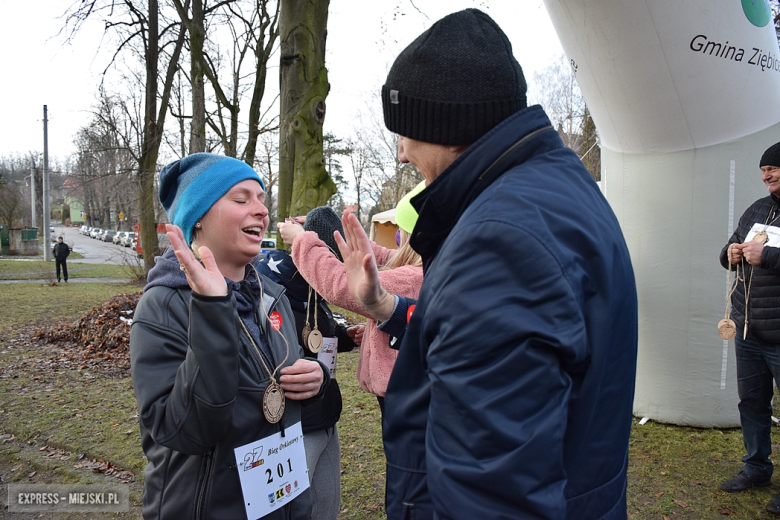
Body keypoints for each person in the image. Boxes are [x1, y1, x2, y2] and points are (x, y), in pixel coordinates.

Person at [334, 9, 638, 519]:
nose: (403, 154)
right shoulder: (557, 192)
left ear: (447, 127)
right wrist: (388, 306)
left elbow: (493, 494)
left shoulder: (499, 243)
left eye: (406, 132)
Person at [129, 153, 329, 520]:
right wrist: (212, 308)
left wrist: (315, 378)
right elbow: (187, 430)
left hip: (284, 504)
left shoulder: (272, 295)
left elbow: (276, 388)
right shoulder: (163, 306)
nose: (261, 211)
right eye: (241, 199)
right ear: (198, 217)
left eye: (261, 199)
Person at [278, 195, 424, 420]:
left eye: (400, 231)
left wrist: (302, 241)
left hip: (405, 396)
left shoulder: (412, 277)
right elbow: (381, 257)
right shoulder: (428, 266)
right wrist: (333, 230)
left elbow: (342, 285)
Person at [257, 206, 361, 520]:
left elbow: (317, 332)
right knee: (294, 509)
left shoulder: (314, 288)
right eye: (330, 262)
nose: (334, 272)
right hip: (294, 425)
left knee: (325, 505)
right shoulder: (272, 290)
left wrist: (345, 336)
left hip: (325, 416)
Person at [719, 141, 780, 514]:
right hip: (748, 331)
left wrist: (769, 256)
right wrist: (731, 253)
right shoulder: (758, 209)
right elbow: (728, 249)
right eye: (763, 170)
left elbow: (768, 257)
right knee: (752, 404)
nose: (766, 175)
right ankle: (756, 468)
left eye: (772, 169)